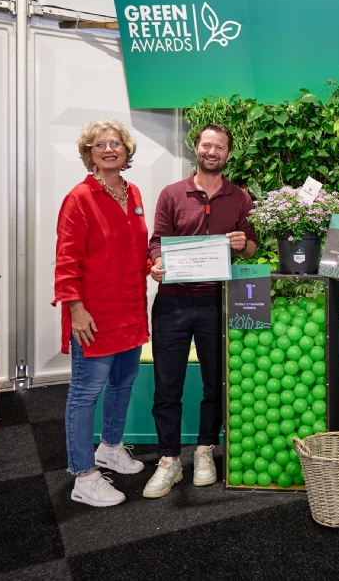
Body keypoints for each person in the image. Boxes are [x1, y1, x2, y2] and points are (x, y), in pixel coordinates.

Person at [144, 123, 258, 498]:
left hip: (218, 303)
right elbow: (156, 242)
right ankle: (168, 460)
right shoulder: (172, 193)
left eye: (220, 147)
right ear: (197, 148)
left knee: (216, 382)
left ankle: (206, 450)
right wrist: (157, 262)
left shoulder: (240, 197)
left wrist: (244, 244)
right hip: (173, 303)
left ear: (228, 154)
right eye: (207, 145)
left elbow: (252, 247)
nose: (212, 152)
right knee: (167, 385)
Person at [54, 119, 150, 507]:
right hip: (93, 315)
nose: (109, 149)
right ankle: (83, 474)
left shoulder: (135, 193)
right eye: (99, 144)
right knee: (84, 392)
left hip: (130, 308)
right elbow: (66, 261)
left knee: (123, 383)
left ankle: (110, 447)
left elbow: (135, 250)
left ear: (126, 151)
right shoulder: (80, 197)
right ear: (89, 153)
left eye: (116, 143)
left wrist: (153, 266)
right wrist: (75, 308)